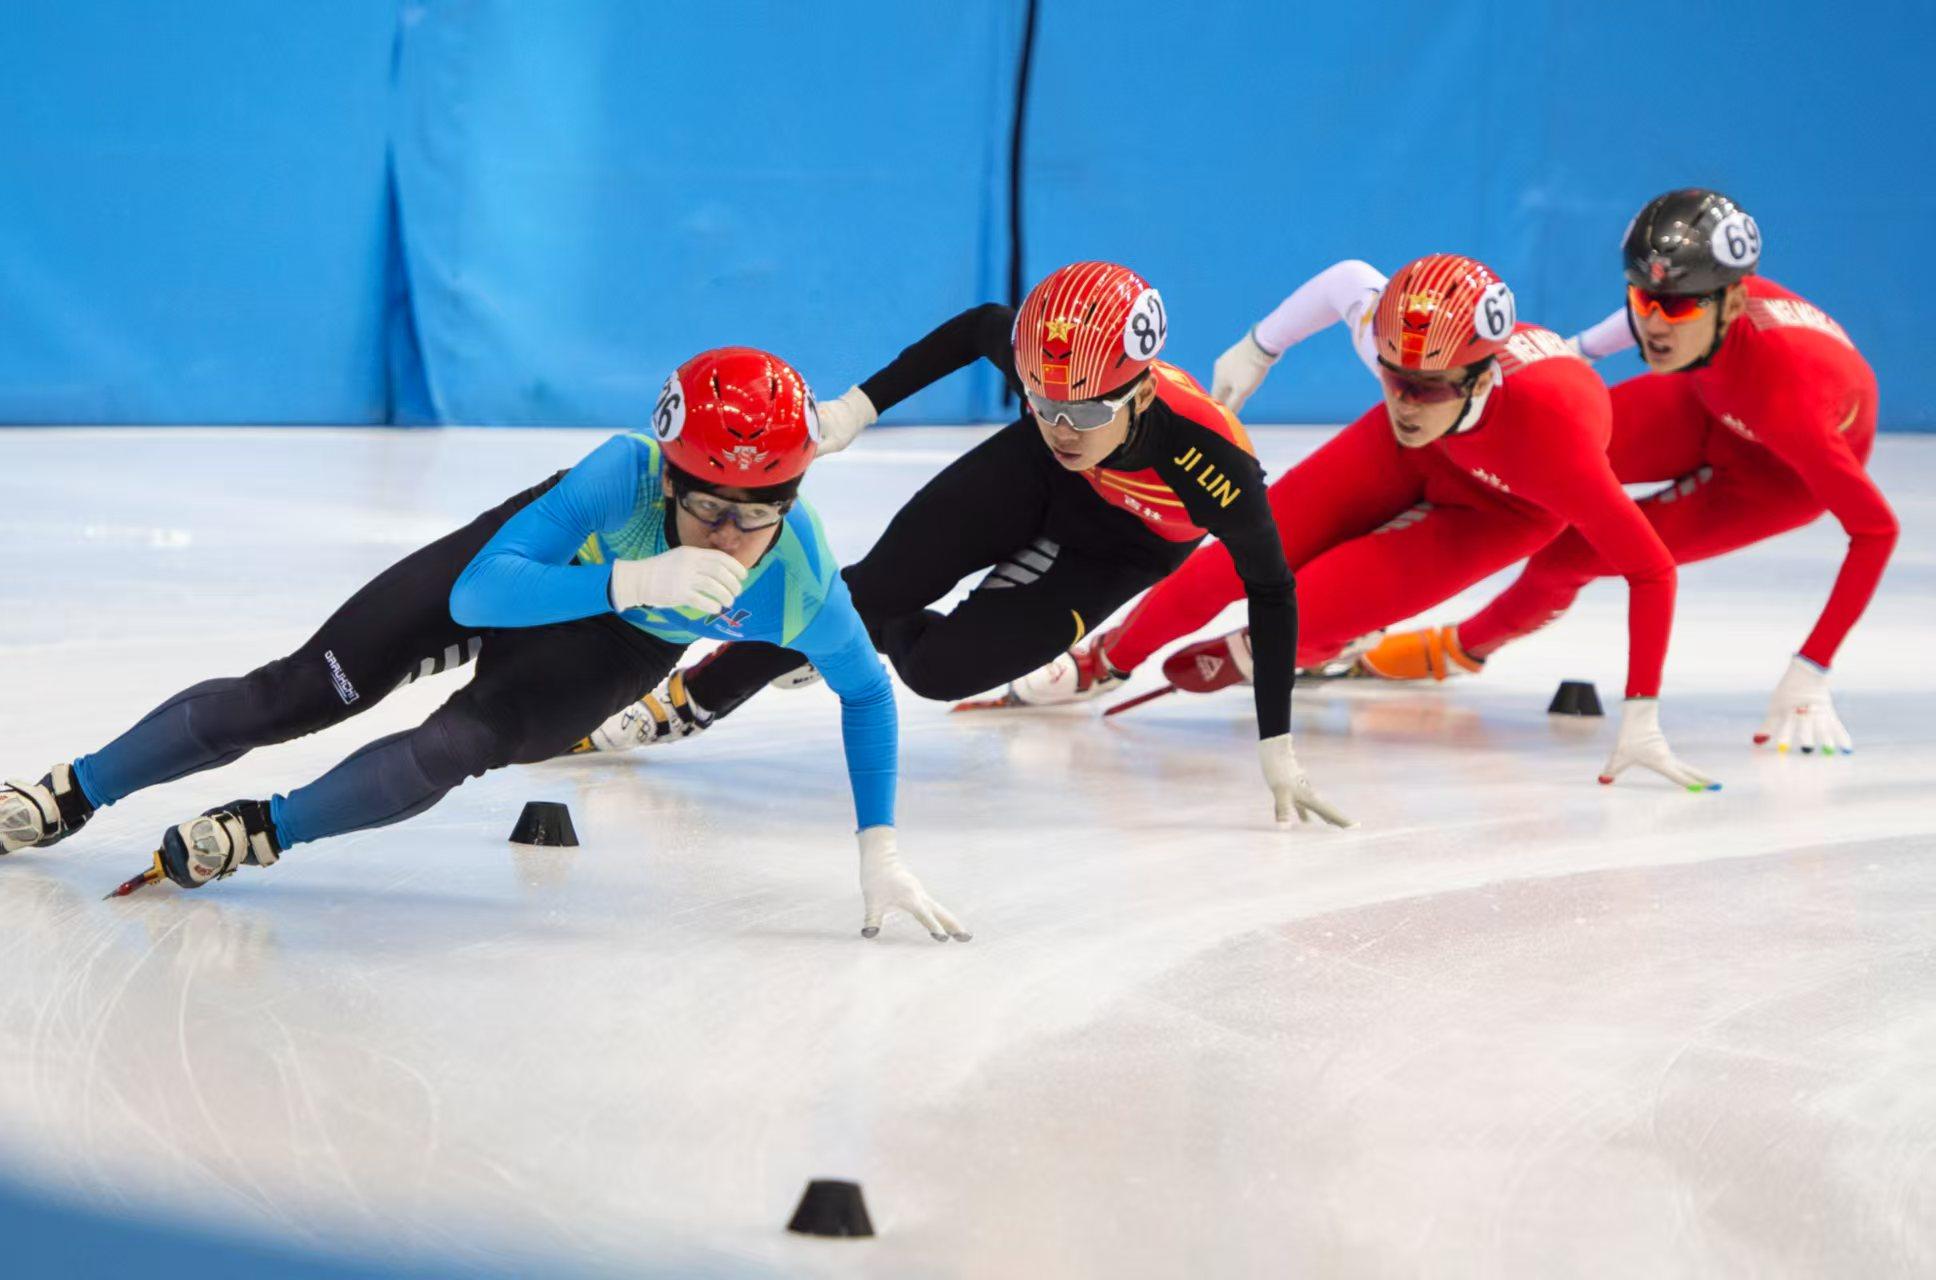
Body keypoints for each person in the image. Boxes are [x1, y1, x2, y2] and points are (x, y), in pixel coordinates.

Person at [0, 348, 967, 941]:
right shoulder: (622, 474)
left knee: (458, 745)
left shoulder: (800, 581)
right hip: (544, 570)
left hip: (612, 652)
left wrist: (879, 842)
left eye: (757, 515)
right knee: (296, 693)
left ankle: (267, 829)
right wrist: (629, 578)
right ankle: (71, 791)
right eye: (706, 505)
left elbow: (868, 693)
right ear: (669, 476)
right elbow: (479, 591)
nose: (726, 535)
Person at [588, 261, 1350, 827]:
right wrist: (857, 407)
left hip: (1121, 548)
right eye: (1041, 402)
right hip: (1030, 479)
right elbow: (980, 323)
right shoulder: (1052, 416)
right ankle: (690, 700)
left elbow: (1272, 588)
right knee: (872, 586)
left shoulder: (1212, 462)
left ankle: (856, 627)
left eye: (1083, 415)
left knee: (937, 670)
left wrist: (1275, 743)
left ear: (1142, 393)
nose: (1062, 428)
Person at [1065, 252, 1713, 790]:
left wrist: (1642, 716)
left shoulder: (1557, 443)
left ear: (1481, 377)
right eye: (1393, 377)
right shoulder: (1404, 345)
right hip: (1411, 456)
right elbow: (1346, 278)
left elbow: (1651, 569)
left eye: (1427, 387)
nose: (1404, 399)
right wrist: (1257, 349)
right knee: (1234, 561)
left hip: (1504, 510)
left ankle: (1301, 645)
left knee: (1301, 615)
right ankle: (1102, 661)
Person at [1357, 191, 1895, 757]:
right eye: (1644, 297)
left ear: (1732, 305)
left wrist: (1811, 668)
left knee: (1570, 554)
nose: (1653, 322)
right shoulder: (1699, 309)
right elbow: (1629, 329)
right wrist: (1570, 354)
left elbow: (1877, 530)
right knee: (1541, 465)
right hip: (1705, 404)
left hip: (1778, 479)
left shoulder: (1791, 399)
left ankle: (1455, 650)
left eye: (1677, 308)